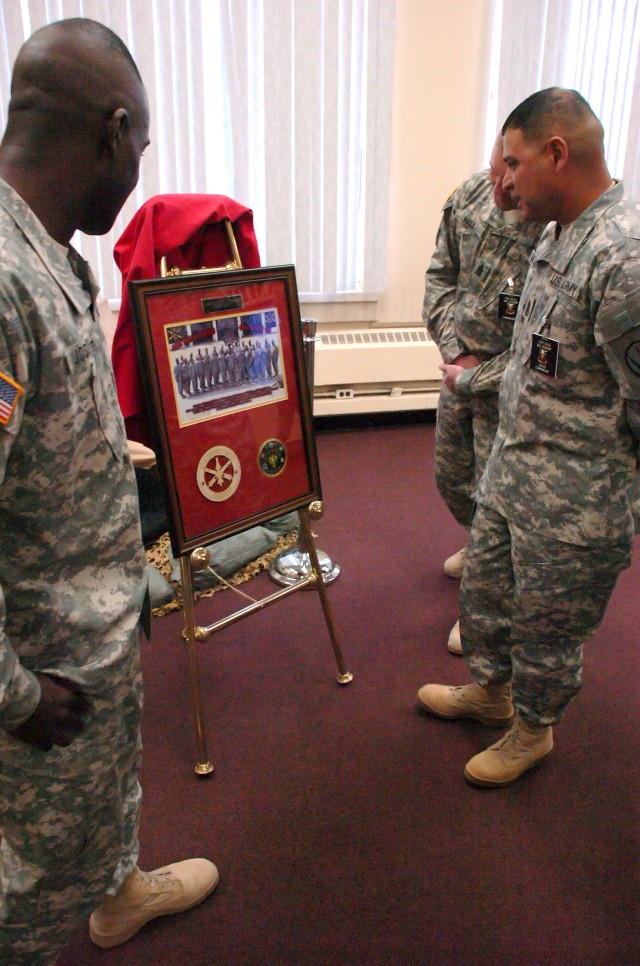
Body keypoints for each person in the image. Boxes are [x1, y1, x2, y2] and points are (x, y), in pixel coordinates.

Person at [0, 19, 218, 965]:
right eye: (142, 147)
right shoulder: (3, 282)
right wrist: (12, 697)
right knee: (26, 884)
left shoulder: (47, 252)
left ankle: (121, 888)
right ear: (113, 129)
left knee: (99, 802)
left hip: (89, 621)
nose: (138, 169)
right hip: (40, 674)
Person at [417, 88, 640, 787]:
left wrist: (612, 495)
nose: (503, 182)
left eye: (513, 163)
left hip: (576, 497)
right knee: (486, 594)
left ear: (557, 153)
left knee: (548, 627)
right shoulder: (554, 233)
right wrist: (478, 387)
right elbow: (532, 352)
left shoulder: (624, 256)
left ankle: (533, 729)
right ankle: (493, 692)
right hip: (516, 467)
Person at [423, 133, 544, 654]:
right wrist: (456, 353)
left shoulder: (554, 222)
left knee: (500, 500)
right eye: (495, 172)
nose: (499, 189)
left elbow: (552, 343)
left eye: (509, 180)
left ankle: (489, 606)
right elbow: (439, 279)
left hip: (516, 391)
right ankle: (480, 548)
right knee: (453, 478)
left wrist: (484, 371)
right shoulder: (468, 197)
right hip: (460, 372)